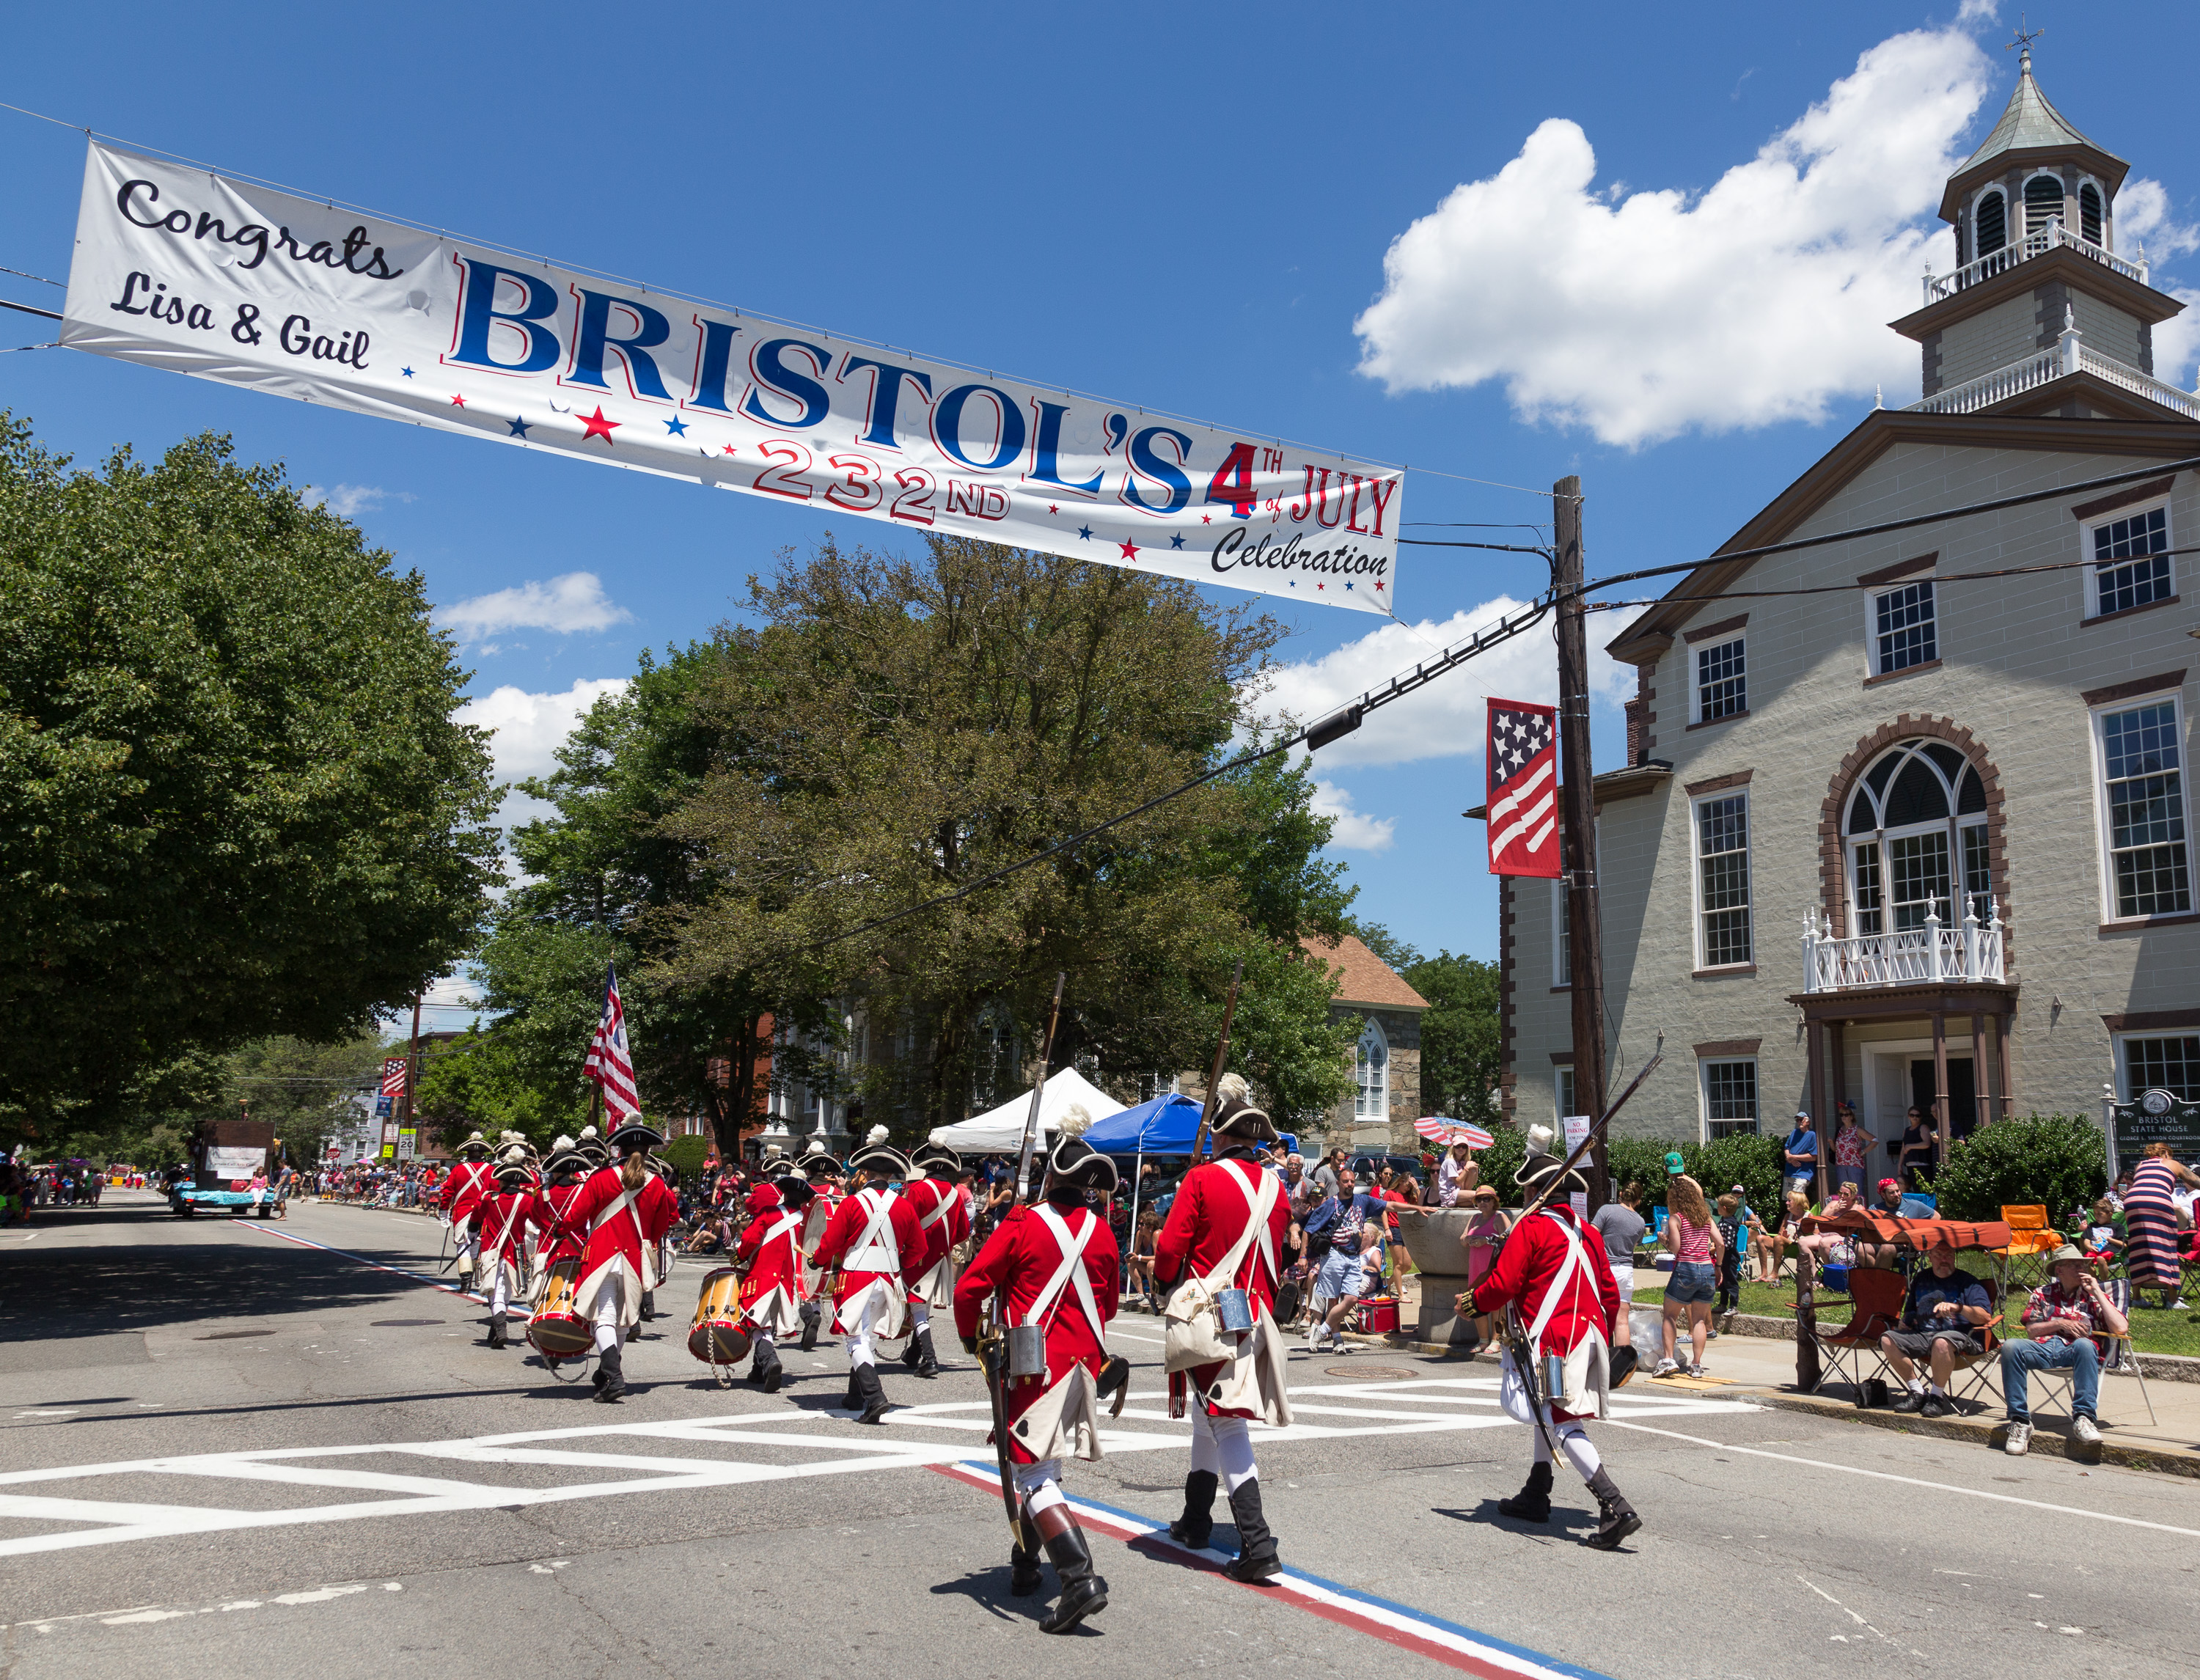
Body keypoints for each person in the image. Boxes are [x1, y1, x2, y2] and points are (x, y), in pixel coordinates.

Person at [953, 1125, 1123, 1635]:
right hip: (1085, 1366)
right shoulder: (1103, 1227)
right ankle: (1027, 1564)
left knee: (1031, 1473)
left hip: (1035, 1366)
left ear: (1051, 1174)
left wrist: (971, 1340)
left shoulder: (1023, 1223)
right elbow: (1109, 1304)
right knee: (1041, 1463)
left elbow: (969, 1290)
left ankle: (1079, 1578)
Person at [1469, 1126, 1640, 1549]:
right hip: (1586, 1337)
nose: (1524, 1198)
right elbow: (1610, 1293)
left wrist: (1475, 1302)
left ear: (1537, 1193)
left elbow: (1504, 1284)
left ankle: (1615, 1506)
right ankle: (1537, 1491)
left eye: (1528, 1191)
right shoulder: (1589, 1232)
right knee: (1549, 1410)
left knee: (1561, 1419)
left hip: (1551, 1343)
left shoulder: (1531, 1230)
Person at [1154, 1074, 1292, 1585]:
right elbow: (1278, 1257)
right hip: (1253, 1310)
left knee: (1225, 1418)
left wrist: (1166, 1282)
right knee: (1206, 1412)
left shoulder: (1202, 1179)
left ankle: (1256, 1542)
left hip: (1211, 1313)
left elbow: (1170, 1250)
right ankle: (1195, 1519)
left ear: (1220, 1136)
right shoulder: (1277, 1187)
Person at [555, 1120, 681, 1404]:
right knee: (623, 1319)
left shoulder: (600, 1178)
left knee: (605, 1316)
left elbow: (577, 1214)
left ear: (619, 1149)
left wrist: (561, 1227)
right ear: (648, 1151)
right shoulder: (658, 1183)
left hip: (601, 1255)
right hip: (634, 1258)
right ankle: (607, 1372)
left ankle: (613, 1375)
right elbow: (666, 1222)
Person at [810, 1126, 928, 1426]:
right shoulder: (903, 1206)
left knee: (854, 1339)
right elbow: (919, 1249)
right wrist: (897, 1263)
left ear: (864, 1174)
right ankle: (855, 1395)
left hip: (857, 1278)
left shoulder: (851, 1202)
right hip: (888, 1278)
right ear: (890, 1177)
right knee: (870, 1337)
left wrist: (817, 1260)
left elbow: (832, 1242)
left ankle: (875, 1397)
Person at [2000, 1244, 2128, 1456]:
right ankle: (2020, 1422)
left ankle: (2083, 1419)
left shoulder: (2094, 1295)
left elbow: (2121, 1328)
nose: (2082, 1268)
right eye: (2075, 1265)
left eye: (2083, 1265)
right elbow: (2032, 1330)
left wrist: (2097, 1290)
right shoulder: (2043, 1293)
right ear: (2059, 1270)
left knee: (2086, 1344)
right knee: (2011, 1346)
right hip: (2043, 1348)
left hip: (2078, 1352)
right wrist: (2060, 1323)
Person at [1880, 1241, 1992, 1417]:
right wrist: (1905, 1322)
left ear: (1954, 1257)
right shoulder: (1922, 1278)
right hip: (1924, 1335)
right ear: (1929, 1257)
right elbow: (1911, 1311)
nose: (1944, 1260)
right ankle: (1917, 1392)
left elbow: (1985, 1316)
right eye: (1939, 1255)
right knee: (1888, 1339)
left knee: (1941, 1342)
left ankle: (1936, 1397)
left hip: (1963, 1337)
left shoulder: (1969, 1283)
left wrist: (1959, 1308)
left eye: (1948, 1255)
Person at [734, 1173, 813, 1393]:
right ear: (803, 1201)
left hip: (761, 1277)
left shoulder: (769, 1213)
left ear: (784, 1194)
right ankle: (758, 1371)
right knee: (766, 1322)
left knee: (757, 1323)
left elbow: (750, 1240)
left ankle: (770, 1362)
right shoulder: (805, 1223)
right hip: (787, 1282)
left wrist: (740, 1256)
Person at [898, 1142, 969, 1379]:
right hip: (941, 1258)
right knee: (923, 1305)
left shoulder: (916, 1189)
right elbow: (962, 1232)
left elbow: (905, 1223)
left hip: (917, 1257)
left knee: (918, 1307)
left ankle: (930, 1359)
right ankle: (913, 1353)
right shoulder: (955, 1193)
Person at [469, 1148, 547, 1349]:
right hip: (515, 1253)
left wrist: (473, 1229)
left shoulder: (489, 1199)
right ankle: (497, 1330)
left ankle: (501, 1328)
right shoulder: (527, 1201)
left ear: (502, 1181)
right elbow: (539, 1221)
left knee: (495, 1293)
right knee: (503, 1293)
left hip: (491, 1251)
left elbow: (476, 1216)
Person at [1303, 1167, 1385, 1353]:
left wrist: (1417, 1207)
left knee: (1351, 1299)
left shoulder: (1362, 1201)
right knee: (1332, 1299)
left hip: (1353, 1257)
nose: (1350, 1184)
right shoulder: (1330, 1204)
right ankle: (1337, 1339)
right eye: (1346, 1181)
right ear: (1338, 1184)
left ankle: (1321, 1330)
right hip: (1334, 1254)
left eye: (1352, 1182)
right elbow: (1309, 1228)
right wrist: (1302, 1256)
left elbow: (1389, 1206)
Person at [1656, 1173, 1721, 1377]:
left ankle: (1668, 1359)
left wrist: (1663, 1240)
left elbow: (1676, 1248)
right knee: (1700, 1320)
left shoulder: (1677, 1219)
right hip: (1707, 1269)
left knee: (1670, 1315)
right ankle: (1696, 1365)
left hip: (1686, 1268)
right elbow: (1720, 1244)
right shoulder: (1706, 1218)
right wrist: (1718, 1266)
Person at [2123, 1140, 2199, 1310]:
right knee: (2166, 1247)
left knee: (2138, 1248)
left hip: (2132, 1202)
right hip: (2157, 1202)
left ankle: (2136, 1298)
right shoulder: (2172, 1163)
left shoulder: (2141, 1165)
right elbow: (2194, 1181)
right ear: (2166, 1153)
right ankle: (2172, 1301)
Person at [1590, 1184, 1646, 1354]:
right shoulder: (1640, 1222)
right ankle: (1621, 1361)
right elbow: (1636, 1243)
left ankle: (1599, 1356)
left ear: (1621, 1193)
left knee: (1598, 1314)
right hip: (1626, 1271)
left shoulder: (1606, 1210)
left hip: (1606, 1268)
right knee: (1622, 1321)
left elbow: (1592, 1233)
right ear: (1638, 1201)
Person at [439, 1134, 496, 1289]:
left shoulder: (458, 1169)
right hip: (485, 1213)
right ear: (483, 1154)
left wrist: (443, 1212)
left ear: (467, 1154)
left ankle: (465, 1279)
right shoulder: (491, 1170)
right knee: (478, 1244)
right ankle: (479, 1277)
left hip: (463, 1213)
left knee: (462, 1245)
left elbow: (448, 1192)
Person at [1759, 1189, 1807, 1283]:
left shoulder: (1808, 1216)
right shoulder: (1787, 1216)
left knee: (1778, 1239)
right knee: (1760, 1238)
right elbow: (1780, 1233)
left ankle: (1775, 1274)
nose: (1787, 1202)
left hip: (1796, 1245)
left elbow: (1815, 1233)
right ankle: (1764, 1273)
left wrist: (1801, 1234)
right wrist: (1782, 1235)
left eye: (1790, 1201)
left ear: (1798, 1203)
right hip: (1783, 1243)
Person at [1713, 1193, 1746, 1322]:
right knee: (1722, 1282)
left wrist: (1715, 1247)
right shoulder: (1723, 1220)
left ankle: (1733, 1306)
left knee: (1731, 1281)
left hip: (1730, 1257)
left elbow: (1728, 1243)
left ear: (1725, 1208)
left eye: (1719, 1206)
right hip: (1722, 1255)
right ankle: (1722, 1304)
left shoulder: (1730, 1224)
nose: (1717, 1208)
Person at [1830, 1105, 1874, 1192]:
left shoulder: (1857, 1129)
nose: (1843, 1117)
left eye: (1846, 1115)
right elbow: (1836, 1150)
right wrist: (1831, 1143)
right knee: (1844, 1192)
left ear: (1852, 1116)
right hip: (1841, 1165)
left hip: (1855, 1164)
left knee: (1856, 1192)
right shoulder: (1840, 1130)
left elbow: (1874, 1140)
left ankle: (1859, 1206)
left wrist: (1863, 1152)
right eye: (1841, 1115)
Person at [1126, 1211, 1162, 1312]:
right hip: (1147, 1266)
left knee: (1151, 1264)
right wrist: (1132, 1257)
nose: (1139, 1226)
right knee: (1130, 1263)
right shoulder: (1139, 1234)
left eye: (1142, 1224)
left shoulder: (1157, 1234)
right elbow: (1136, 1254)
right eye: (1139, 1223)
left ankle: (1152, 1296)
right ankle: (1141, 1294)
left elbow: (1157, 1257)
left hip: (1159, 1268)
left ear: (1151, 1227)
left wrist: (1139, 1258)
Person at [1896, 1106, 1938, 1189]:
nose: (1915, 1117)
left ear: (1921, 1117)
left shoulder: (1923, 1128)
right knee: (1915, 1188)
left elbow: (1927, 1144)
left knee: (1924, 1189)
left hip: (1922, 1164)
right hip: (1910, 1164)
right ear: (1908, 1116)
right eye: (1912, 1115)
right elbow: (1903, 1148)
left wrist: (1911, 1146)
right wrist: (1900, 1165)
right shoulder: (1906, 1130)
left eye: (1917, 1116)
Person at [2078, 1196, 2127, 1262]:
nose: (2096, 1216)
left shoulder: (2118, 1226)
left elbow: (2124, 1244)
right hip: (2094, 1250)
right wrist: (2088, 1246)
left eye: (2100, 1214)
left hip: (2110, 1252)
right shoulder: (2093, 1225)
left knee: (2100, 1258)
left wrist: (2109, 1239)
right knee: (2087, 1259)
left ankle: (2102, 1272)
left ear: (2110, 1215)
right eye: (2095, 1214)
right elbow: (2087, 1239)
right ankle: (2091, 1272)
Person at [1781, 1112, 1819, 1196]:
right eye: (1797, 1120)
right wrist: (1789, 1158)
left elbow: (1813, 1157)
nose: (1799, 1122)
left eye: (1801, 1120)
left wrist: (1794, 1157)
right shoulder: (1795, 1132)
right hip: (1790, 1172)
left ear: (1808, 1122)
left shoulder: (1812, 1134)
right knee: (1789, 1200)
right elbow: (1787, 1148)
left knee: (1797, 1199)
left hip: (1803, 1174)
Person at [1436, 1139, 1479, 1208]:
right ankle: (1452, 1203)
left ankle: (1463, 1199)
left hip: (1460, 1191)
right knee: (1479, 1196)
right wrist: (1467, 1168)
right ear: (1453, 1148)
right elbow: (1457, 1182)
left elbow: (1474, 1182)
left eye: (1464, 1147)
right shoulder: (1450, 1162)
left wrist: (1475, 1169)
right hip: (1450, 1194)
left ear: (1467, 1149)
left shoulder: (1463, 1162)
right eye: (1458, 1146)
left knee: (1473, 1169)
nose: (1461, 1149)